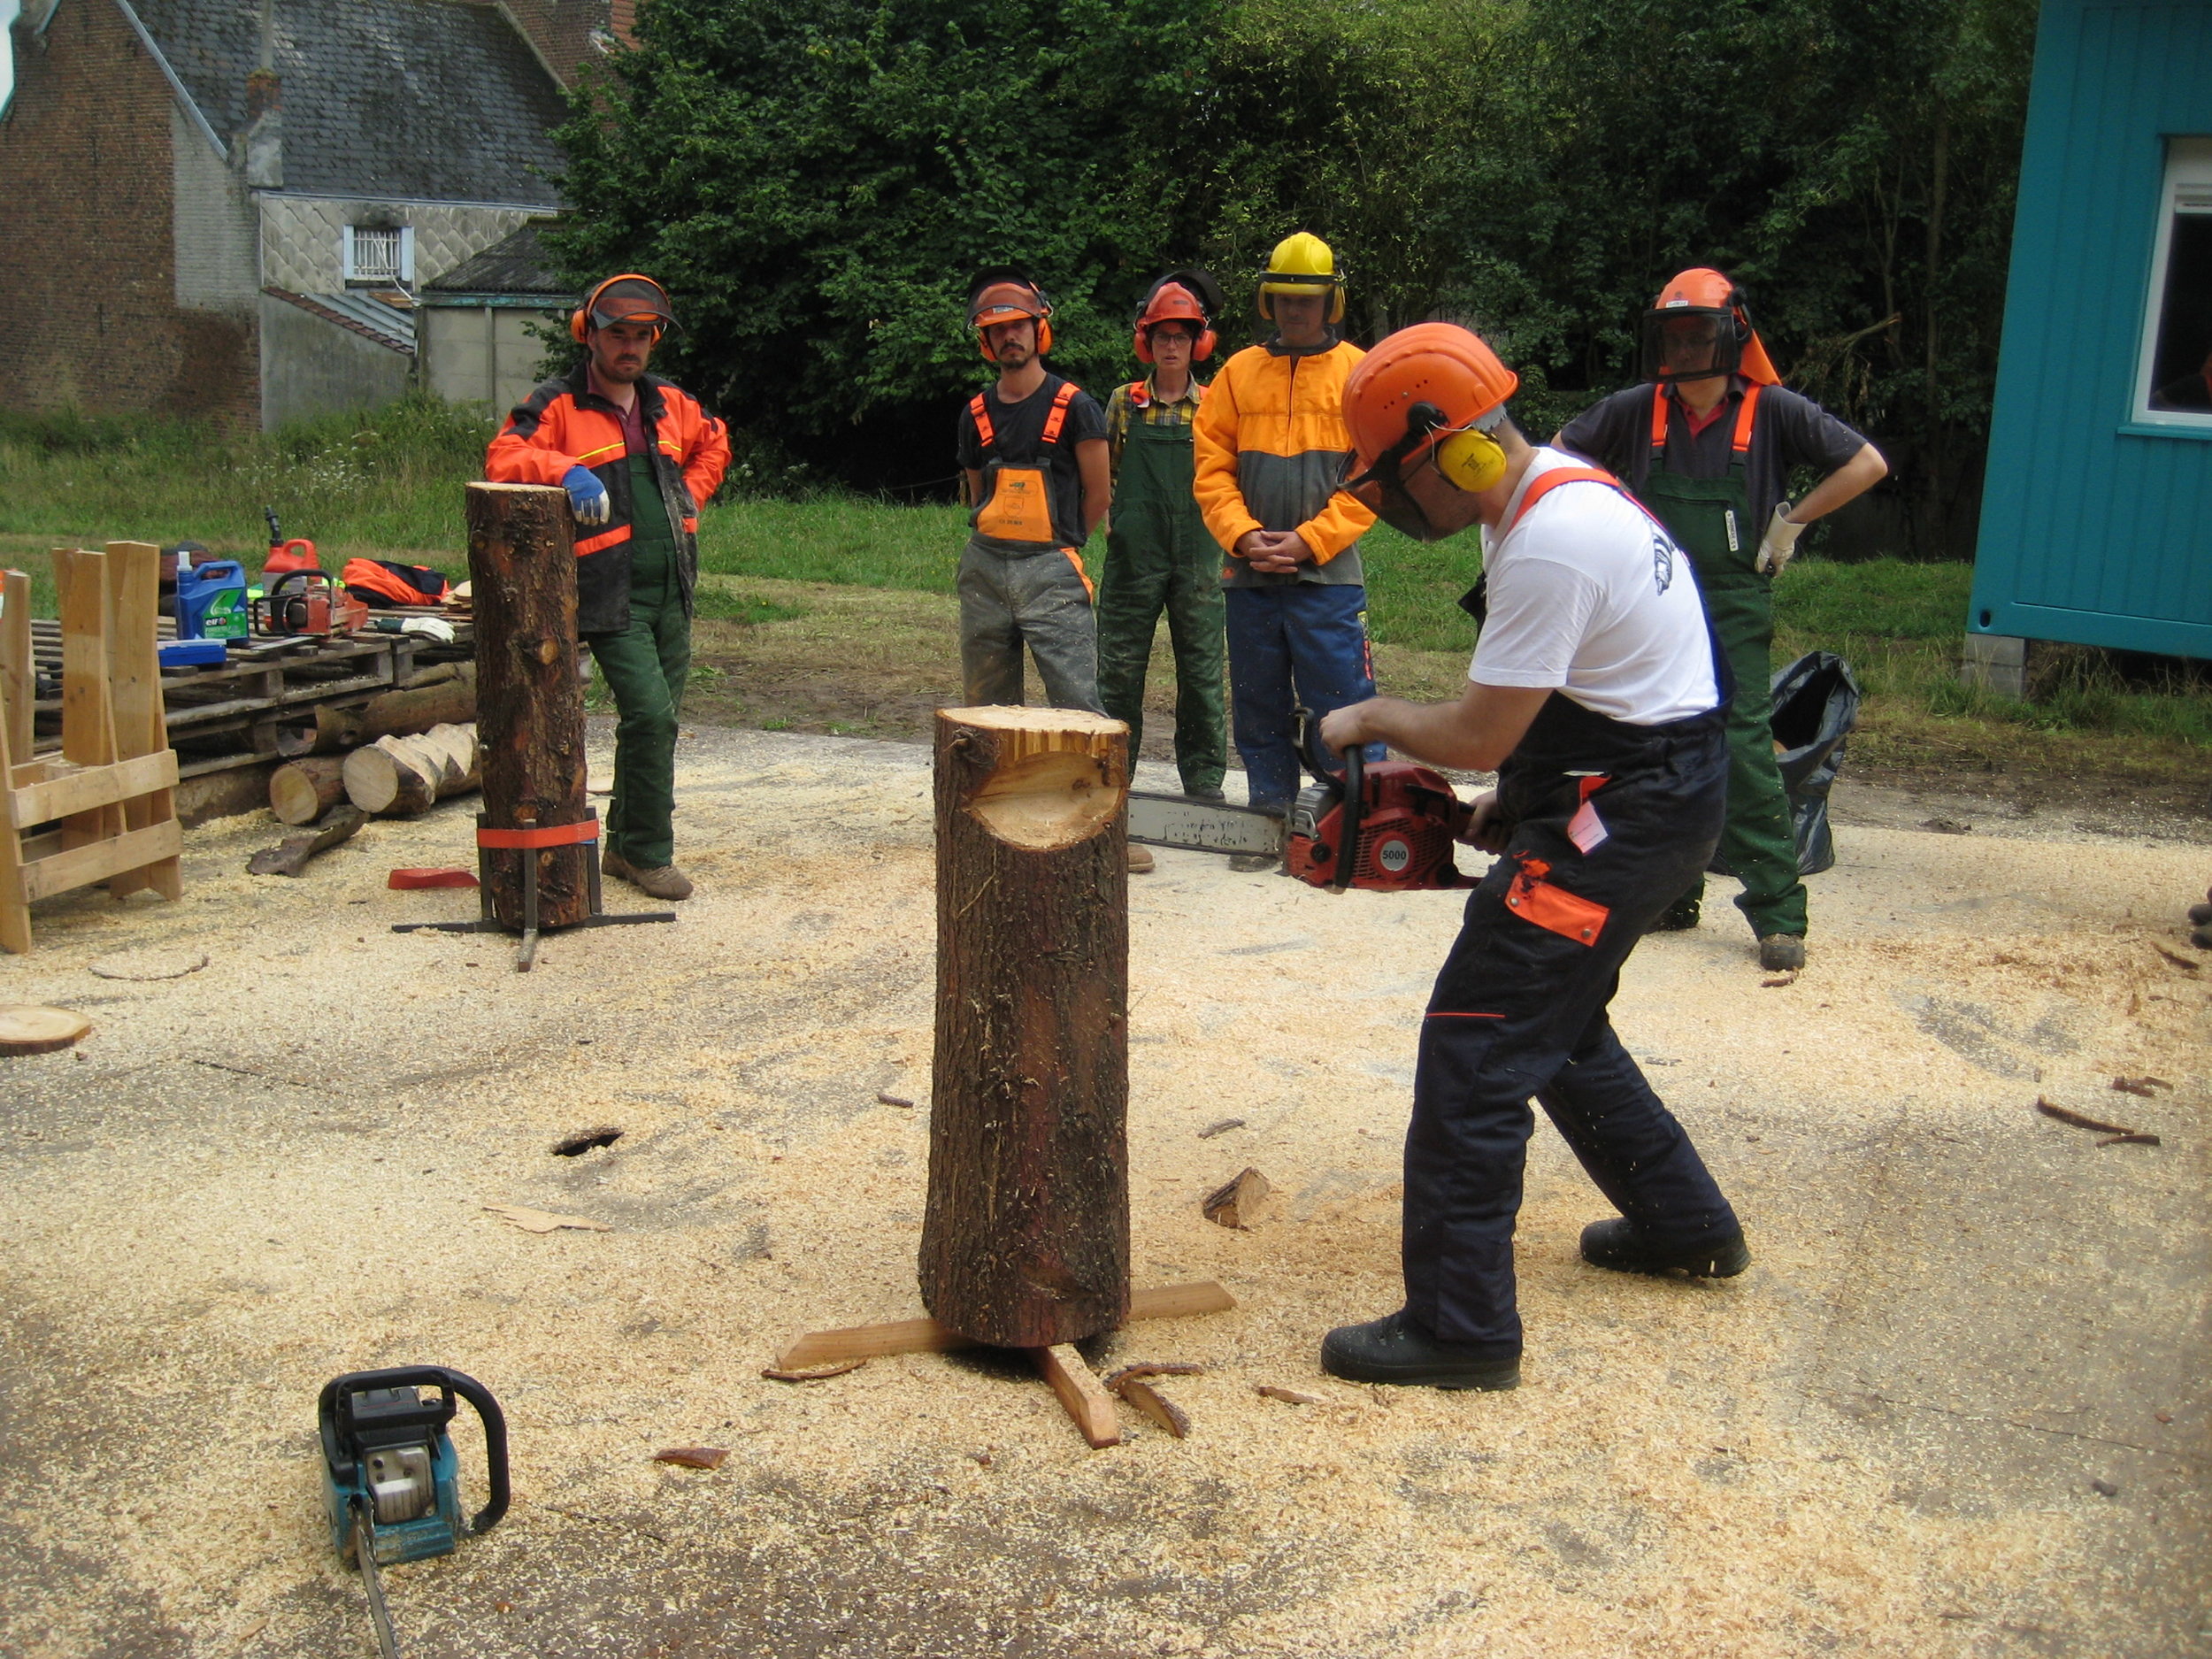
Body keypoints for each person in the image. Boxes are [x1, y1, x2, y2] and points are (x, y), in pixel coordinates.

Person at [1314, 322, 1747, 1392]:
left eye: (1387, 479)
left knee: (1478, 1034)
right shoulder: (1546, 488)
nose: (1387, 501)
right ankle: (1684, 1225)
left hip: (1634, 809)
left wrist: (1365, 717)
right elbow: (1587, 693)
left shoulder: (1548, 538)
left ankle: (1460, 1326)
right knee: (1551, 1018)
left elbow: (1474, 730)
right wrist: (1517, 805)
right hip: (1644, 788)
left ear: (1445, 450)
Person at [1556, 269, 1886, 971]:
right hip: (1648, 591)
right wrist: (1604, 508)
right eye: (1673, 336)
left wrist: (1791, 523)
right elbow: (1558, 456)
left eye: (1697, 334)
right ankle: (1666, 895)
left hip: (1734, 598)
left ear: (1731, 333)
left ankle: (1777, 912)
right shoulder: (1636, 408)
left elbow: (1866, 463)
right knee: (1650, 736)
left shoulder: (1773, 411)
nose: (1682, 349)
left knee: (1738, 741)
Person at [486, 273, 729, 902]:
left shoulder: (667, 402)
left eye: (641, 336)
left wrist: (688, 501)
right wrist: (563, 467)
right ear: (587, 334)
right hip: (608, 591)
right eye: (617, 334)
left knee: (660, 721)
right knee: (649, 714)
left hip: (672, 584)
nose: (630, 348)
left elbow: (716, 442)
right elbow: (503, 458)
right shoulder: (557, 404)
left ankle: (624, 843)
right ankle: (651, 853)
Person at [1191, 232, 1380, 868]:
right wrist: (1244, 535)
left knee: (1342, 700)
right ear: (1268, 301)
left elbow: (1374, 477)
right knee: (1258, 699)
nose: (1297, 310)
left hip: (1328, 576)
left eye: (1310, 299)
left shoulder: (1361, 373)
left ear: (1332, 301)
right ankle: (1269, 812)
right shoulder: (1238, 372)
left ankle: (1354, 817)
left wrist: (1309, 540)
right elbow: (1211, 467)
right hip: (1250, 575)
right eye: (1285, 299)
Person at [1097, 272, 1230, 821]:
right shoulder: (1124, 403)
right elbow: (1101, 468)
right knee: (1118, 669)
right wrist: (1108, 518)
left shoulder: (1215, 403)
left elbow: (1230, 474)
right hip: (1135, 554)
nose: (1171, 346)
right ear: (1146, 343)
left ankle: (1203, 785)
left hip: (1199, 555)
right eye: (1162, 337)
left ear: (1198, 342)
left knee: (1201, 672)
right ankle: (1107, 778)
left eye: (1181, 336)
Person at [954, 269, 1112, 718]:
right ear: (986, 342)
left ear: (1039, 329)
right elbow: (977, 494)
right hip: (985, 569)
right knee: (986, 710)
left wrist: (1063, 543)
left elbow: (1098, 496)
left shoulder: (1077, 407)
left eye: (1017, 326)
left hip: (1052, 571)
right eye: (997, 330)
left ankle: (1084, 787)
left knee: (1077, 705)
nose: (1009, 337)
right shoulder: (975, 413)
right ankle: (994, 788)